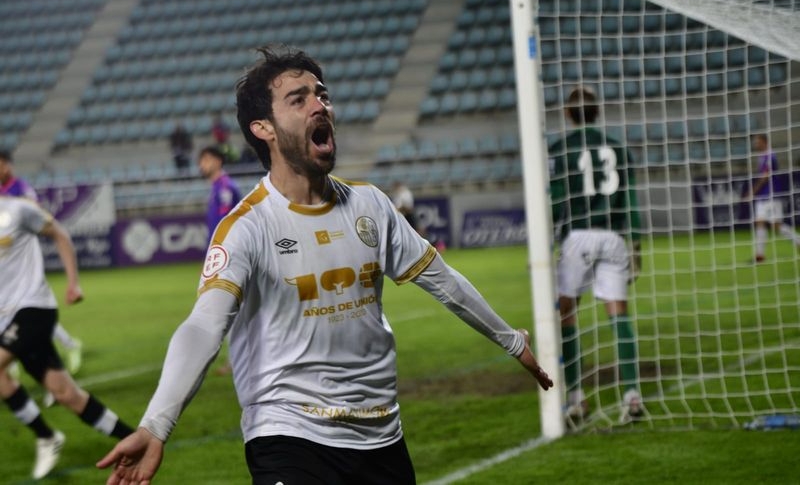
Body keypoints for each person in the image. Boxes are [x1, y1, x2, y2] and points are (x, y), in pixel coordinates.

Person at [97, 46, 553, 485]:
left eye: (323, 95)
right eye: (299, 99)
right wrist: (156, 423)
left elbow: (443, 280)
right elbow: (203, 325)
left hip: (383, 439)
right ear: (264, 128)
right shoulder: (246, 227)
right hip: (288, 438)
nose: (320, 105)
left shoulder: (371, 205)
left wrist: (511, 340)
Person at [0, 195, 134, 480]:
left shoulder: (18, 210)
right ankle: (133, 439)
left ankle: (45, 435)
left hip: (34, 308)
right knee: (66, 394)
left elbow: (59, 234)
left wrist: (73, 283)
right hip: (6, 320)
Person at [548, 86, 643, 425]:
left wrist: (549, 242)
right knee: (619, 314)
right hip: (614, 237)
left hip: (579, 235)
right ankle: (632, 396)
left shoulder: (561, 149)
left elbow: (556, 199)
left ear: (569, 114)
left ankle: (576, 398)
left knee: (565, 313)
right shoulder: (617, 148)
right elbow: (631, 197)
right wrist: (636, 242)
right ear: (597, 113)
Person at [0, 149, 83, 377]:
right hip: (6, 266)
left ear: (7, 165)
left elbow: (36, 217)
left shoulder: (21, 189)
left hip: (22, 261)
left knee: (30, 312)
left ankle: (67, 346)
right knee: (21, 315)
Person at [197, 145, 242, 375]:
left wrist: (218, 259)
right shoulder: (219, 187)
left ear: (216, 160)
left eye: (204, 159)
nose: (200, 165)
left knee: (228, 309)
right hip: (222, 256)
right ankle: (235, 361)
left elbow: (226, 223)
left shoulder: (225, 187)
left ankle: (236, 362)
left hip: (227, 256)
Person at [743, 133, 800, 262]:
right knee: (760, 222)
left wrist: (753, 191)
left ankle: (798, 240)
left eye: (757, 142)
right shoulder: (762, 156)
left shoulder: (769, 155)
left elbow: (766, 176)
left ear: (764, 142)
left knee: (776, 225)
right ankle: (759, 255)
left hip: (772, 194)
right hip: (764, 195)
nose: (755, 144)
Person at [197, 146, 243, 244]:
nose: (202, 164)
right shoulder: (217, 186)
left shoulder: (224, 187)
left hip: (224, 247)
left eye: (206, 160)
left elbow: (224, 221)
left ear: (218, 161)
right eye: (201, 161)